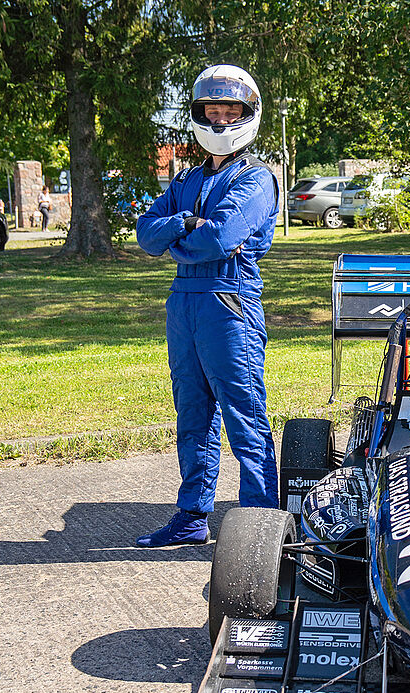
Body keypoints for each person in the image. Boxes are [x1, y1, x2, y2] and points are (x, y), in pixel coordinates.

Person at [133, 64, 280, 547]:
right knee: (192, 413)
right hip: (184, 304)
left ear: (247, 113)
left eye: (230, 109)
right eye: (211, 109)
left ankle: (258, 526)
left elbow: (220, 237)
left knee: (244, 413)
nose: (220, 119)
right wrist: (184, 224)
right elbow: (145, 234)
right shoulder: (185, 180)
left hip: (229, 301)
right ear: (199, 113)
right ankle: (193, 514)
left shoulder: (257, 179)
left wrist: (179, 236)